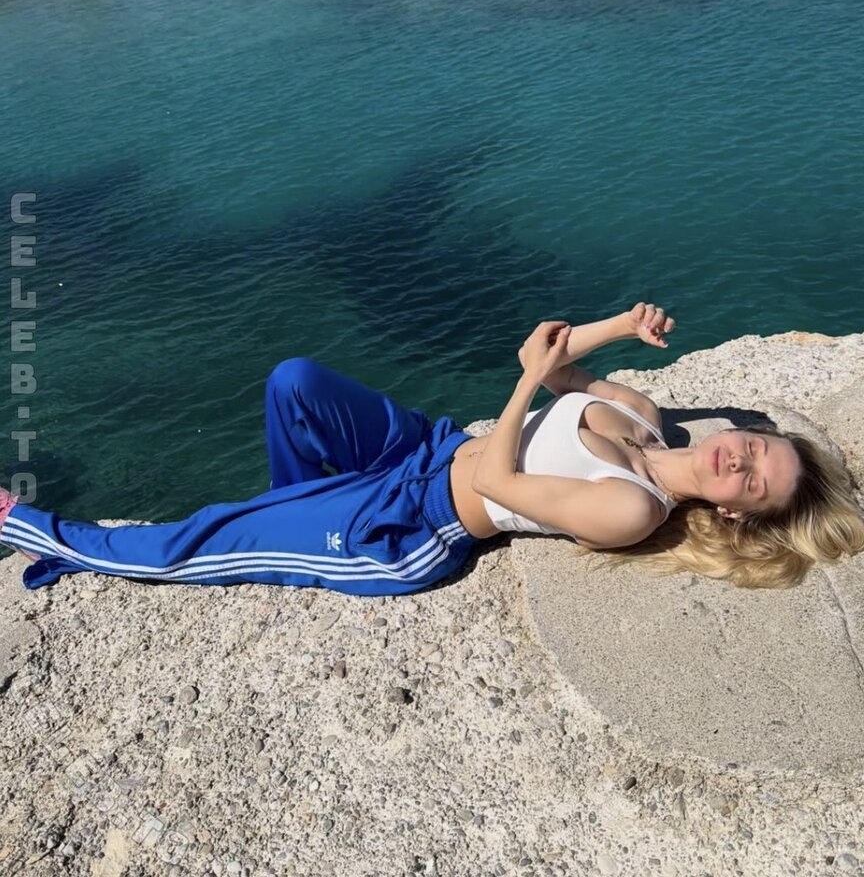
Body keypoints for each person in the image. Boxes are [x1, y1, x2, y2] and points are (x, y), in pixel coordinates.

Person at [1, 304, 861, 595]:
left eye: (755, 483)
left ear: (735, 513)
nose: (741, 461)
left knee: (205, 538)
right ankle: (290, 513)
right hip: (429, 447)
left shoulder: (632, 508)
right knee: (294, 382)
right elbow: (558, 364)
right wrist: (622, 325)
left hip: (414, 524)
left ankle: (33, 530)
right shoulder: (646, 418)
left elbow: (505, 482)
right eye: (756, 448)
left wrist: (525, 383)